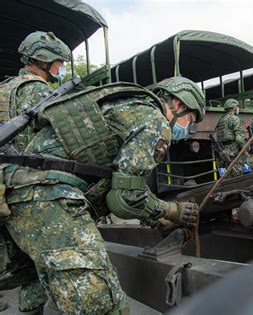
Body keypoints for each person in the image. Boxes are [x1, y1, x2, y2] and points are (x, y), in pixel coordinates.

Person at [0, 76, 206, 314]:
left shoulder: (124, 104)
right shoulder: (155, 121)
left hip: (20, 190)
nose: (188, 131)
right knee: (102, 304)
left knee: (33, 276)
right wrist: (174, 211)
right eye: (191, 121)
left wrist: (156, 218)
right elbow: (126, 198)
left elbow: (111, 178)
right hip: (50, 195)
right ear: (179, 105)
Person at [0, 31, 71, 314]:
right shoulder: (39, 92)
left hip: (3, 186)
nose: (61, 67)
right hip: (28, 187)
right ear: (44, 59)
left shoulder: (4, 88)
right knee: (35, 261)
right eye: (59, 61)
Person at [214, 99, 246, 178]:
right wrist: (244, 149)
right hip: (233, 150)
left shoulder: (221, 119)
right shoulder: (234, 118)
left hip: (224, 150)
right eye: (237, 107)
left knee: (227, 174)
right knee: (237, 173)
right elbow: (239, 138)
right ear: (234, 108)